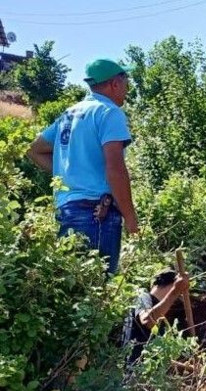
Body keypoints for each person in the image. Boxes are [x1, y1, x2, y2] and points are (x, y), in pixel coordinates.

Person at [26, 58, 139, 276]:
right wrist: (131, 218)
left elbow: (34, 149)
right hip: (97, 213)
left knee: (75, 291)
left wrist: (67, 173)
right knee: (99, 290)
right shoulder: (109, 112)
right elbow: (115, 168)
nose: (127, 88)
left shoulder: (69, 114)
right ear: (115, 83)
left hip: (66, 210)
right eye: (126, 81)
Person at [122, 268, 190, 365]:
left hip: (145, 373)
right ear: (172, 285)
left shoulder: (161, 314)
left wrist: (186, 366)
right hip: (133, 369)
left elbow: (156, 355)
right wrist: (175, 291)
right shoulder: (144, 297)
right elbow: (147, 320)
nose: (179, 296)